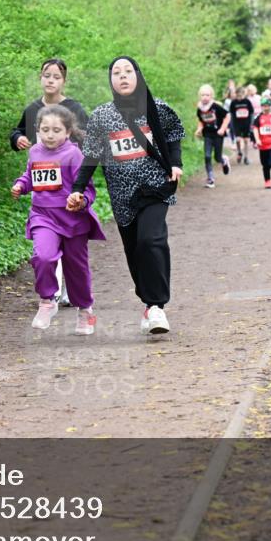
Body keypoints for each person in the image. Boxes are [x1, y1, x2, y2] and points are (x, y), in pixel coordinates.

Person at [67, 56, 185, 335]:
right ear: (110, 80)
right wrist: (76, 189)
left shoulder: (158, 108)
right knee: (134, 250)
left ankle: (157, 307)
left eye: (128, 71)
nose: (122, 76)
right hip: (122, 195)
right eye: (116, 73)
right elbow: (92, 156)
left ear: (138, 75)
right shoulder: (102, 116)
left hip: (155, 186)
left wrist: (176, 163)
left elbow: (173, 135)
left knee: (151, 240)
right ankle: (147, 300)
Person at [12, 105, 105, 333]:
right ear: (38, 131)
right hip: (43, 216)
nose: (50, 135)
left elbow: (87, 189)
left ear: (68, 132)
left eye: (56, 130)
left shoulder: (73, 154)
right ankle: (47, 301)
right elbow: (30, 175)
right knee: (42, 256)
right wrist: (21, 185)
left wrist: (81, 200)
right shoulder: (35, 152)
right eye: (45, 130)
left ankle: (85, 311)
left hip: (72, 220)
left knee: (77, 269)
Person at [9, 58, 89, 307]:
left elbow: (89, 140)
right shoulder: (33, 108)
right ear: (40, 78)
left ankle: (69, 288)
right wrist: (18, 138)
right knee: (48, 240)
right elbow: (17, 130)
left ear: (64, 81)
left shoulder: (74, 108)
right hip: (42, 183)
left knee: (70, 240)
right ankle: (52, 291)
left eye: (56, 76)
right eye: (46, 75)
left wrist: (74, 155)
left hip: (68, 180)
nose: (51, 80)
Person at [194, 84, 231, 188]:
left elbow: (227, 116)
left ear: (211, 96)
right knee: (207, 156)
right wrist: (199, 129)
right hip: (208, 135)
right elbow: (201, 120)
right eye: (203, 95)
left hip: (218, 134)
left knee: (217, 158)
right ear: (199, 96)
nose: (205, 97)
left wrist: (222, 129)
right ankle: (210, 179)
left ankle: (224, 160)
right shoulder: (200, 108)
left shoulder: (215, 106)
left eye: (207, 95)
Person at [252, 97, 271, 189]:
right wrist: (257, 140)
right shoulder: (258, 117)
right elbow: (255, 129)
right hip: (263, 144)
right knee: (265, 163)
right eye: (263, 106)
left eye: (267, 106)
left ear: (270, 106)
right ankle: (267, 180)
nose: (265, 108)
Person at [228, 87, 255, 165]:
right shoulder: (233, 103)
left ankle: (246, 157)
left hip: (246, 123)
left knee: (246, 141)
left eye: (241, 96)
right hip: (237, 124)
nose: (239, 98)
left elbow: (252, 113)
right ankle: (239, 152)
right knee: (238, 140)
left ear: (244, 94)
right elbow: (231, 114)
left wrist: (251, 124)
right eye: (238, 96)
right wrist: (231, 125)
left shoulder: (247, 102)